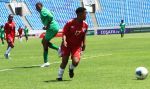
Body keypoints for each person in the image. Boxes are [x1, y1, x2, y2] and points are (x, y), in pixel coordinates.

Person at [57, 7, 88, 81]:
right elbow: (64, 33)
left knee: (76, 61)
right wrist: (64, 41)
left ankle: (71, 68)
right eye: (85, 13)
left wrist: (84, 44)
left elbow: (84, 35)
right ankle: (59, 76)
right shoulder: (70, 22)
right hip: (67, 44)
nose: (86, 15)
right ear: (79, 14)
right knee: (64, 61)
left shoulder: (85, 25)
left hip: (77, 46)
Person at [36, 2, 61, 67]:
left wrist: (47, 26)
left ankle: (46, 62)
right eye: (36, 7)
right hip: (53, 27)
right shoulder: (44, 10)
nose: (37, 8)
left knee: (44, 42)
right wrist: (46, 26)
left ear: (41, 6)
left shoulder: (43, 11)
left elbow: (51, 16)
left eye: (38, 6)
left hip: (52, 28)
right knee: (44, 42)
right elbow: (51, 14)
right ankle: (58, 49)